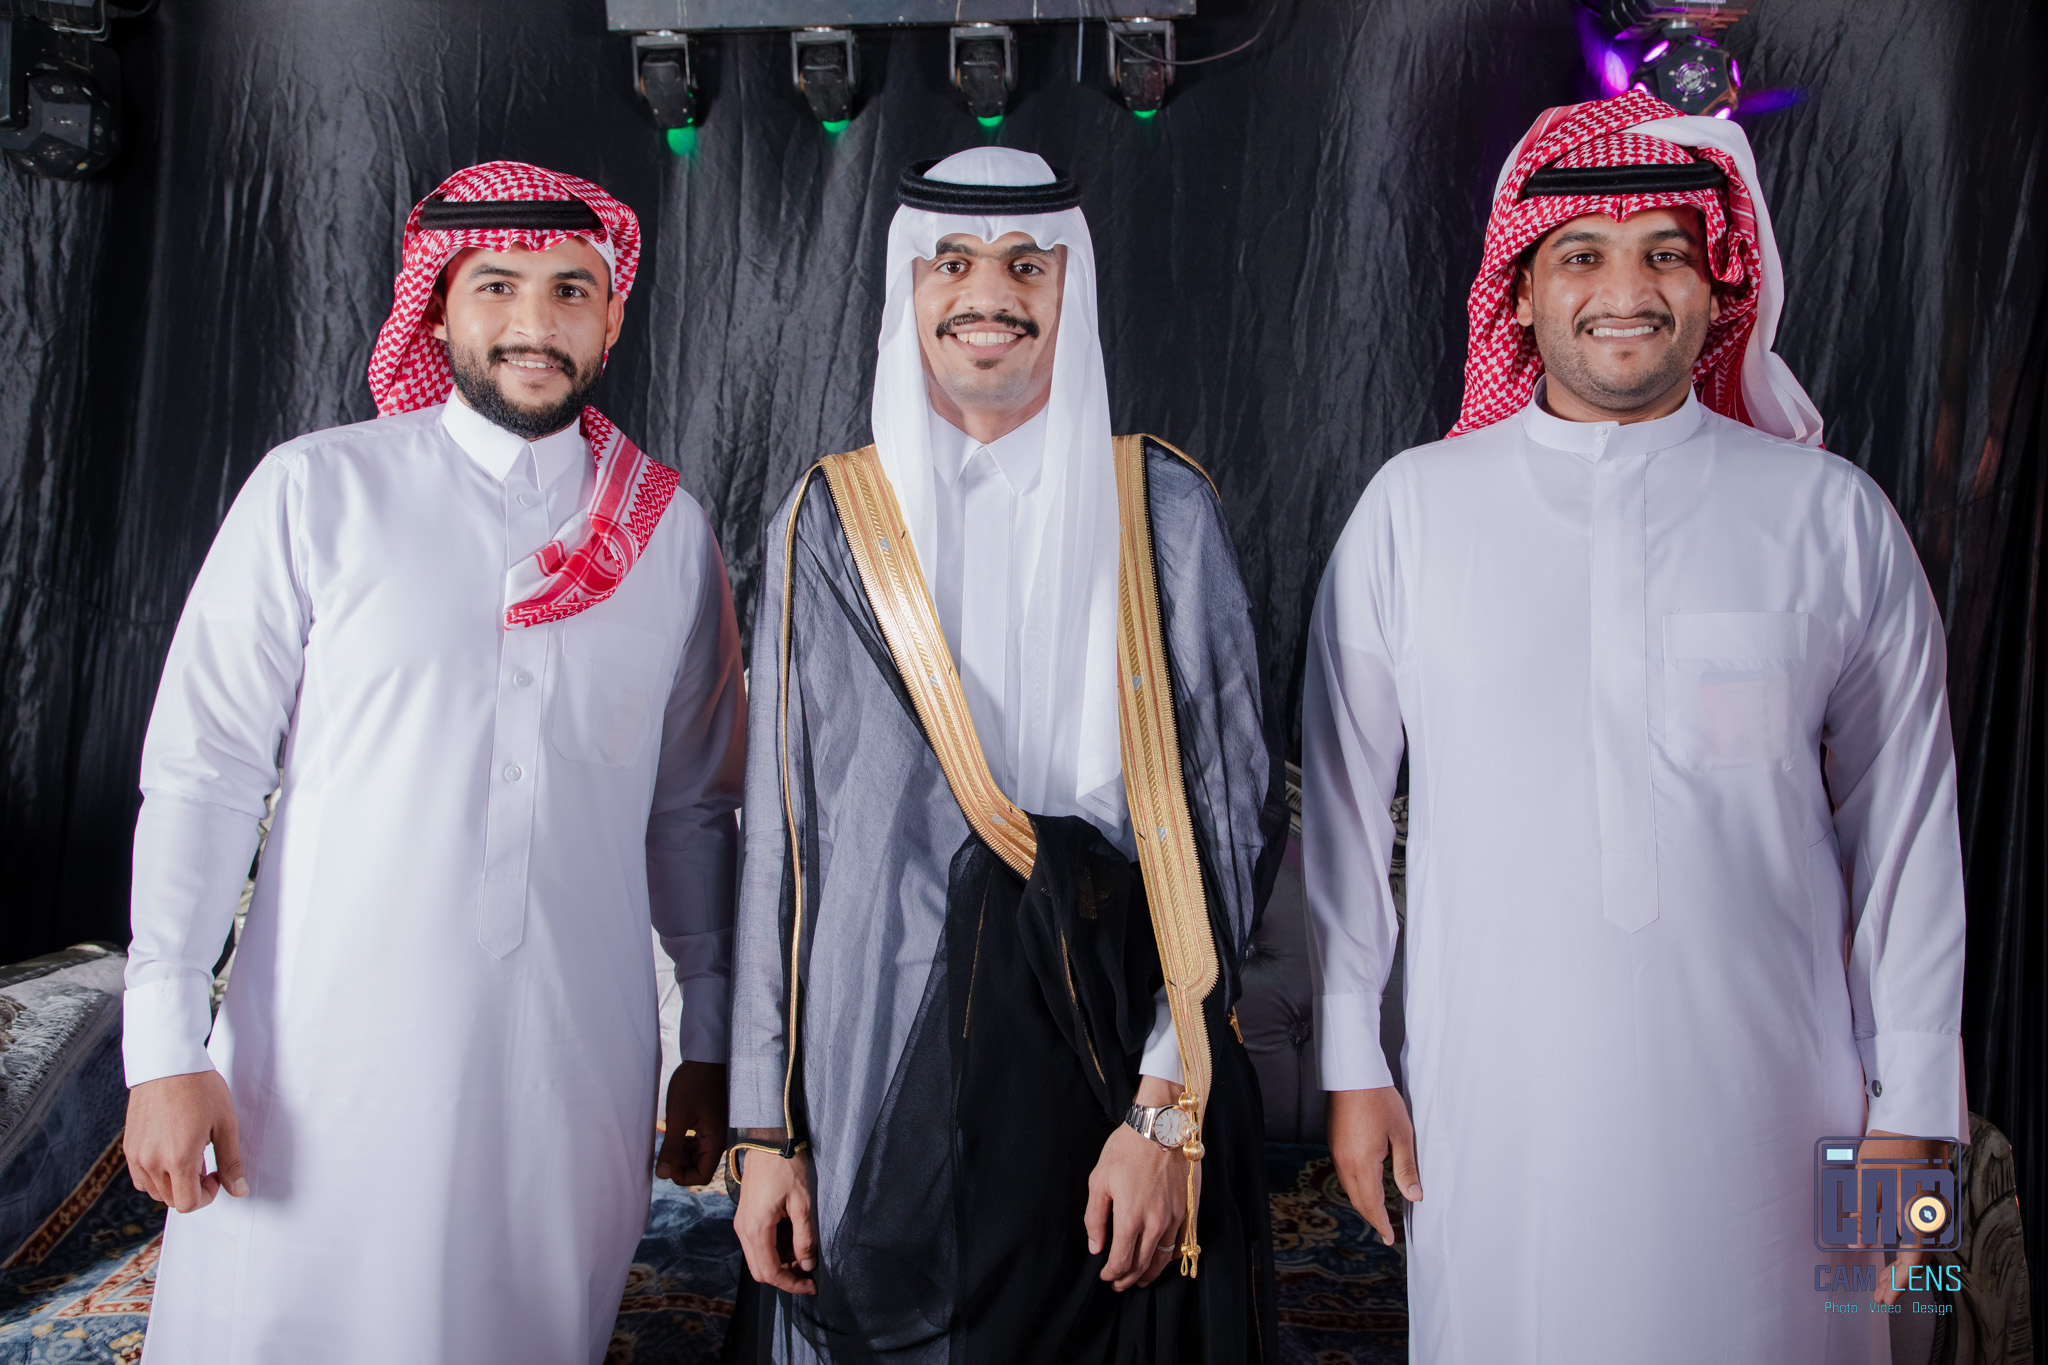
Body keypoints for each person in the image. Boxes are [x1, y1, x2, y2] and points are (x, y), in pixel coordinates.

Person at [1304, 90, 1967, 1364]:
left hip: (1797, 1110)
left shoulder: (1830, 515)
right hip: (1494, 1111)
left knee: (1835, 1335)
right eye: (1581, 256)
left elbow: (1907, 833)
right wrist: (1352, 1066)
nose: (1625, 291)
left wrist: (1913, 1114)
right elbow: (1338, 815)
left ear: (1718, 290)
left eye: (1665, 252)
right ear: (1518, 293)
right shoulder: (1411, 513)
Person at [120, 161, 745, 1365]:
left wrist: (706, 1043)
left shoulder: (665, 532)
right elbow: (204, 774)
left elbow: (691, 813)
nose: (533, 323)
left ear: (613, 318)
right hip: (321, 1058)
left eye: (570, 291)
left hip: (569, 1067)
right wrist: (164, 1048)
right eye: (495, 285)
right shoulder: (319, 490)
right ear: (436, 307)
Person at [723, 147, 1281, 1364]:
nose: (989, 294)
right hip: (882, 1049)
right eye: (953, 264)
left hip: (1114, 1050)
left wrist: (1166, 1109)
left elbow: (1227, 824)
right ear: (907, 291)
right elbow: (784, 844)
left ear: (1071, 289)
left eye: (1027, 265)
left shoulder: (1162, 509)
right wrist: (764, 1132)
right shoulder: (832, 521)